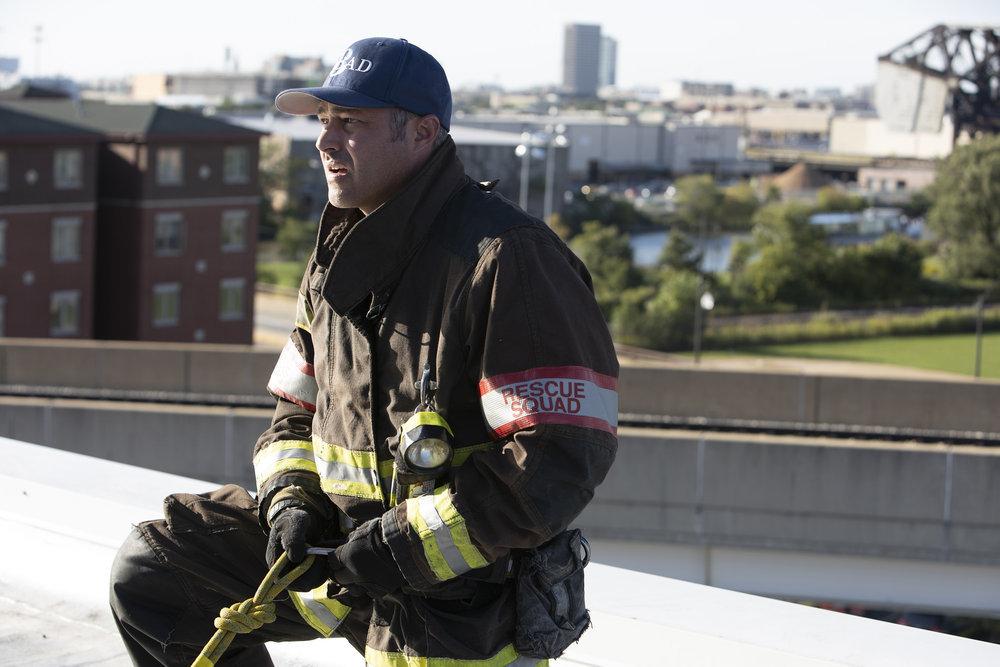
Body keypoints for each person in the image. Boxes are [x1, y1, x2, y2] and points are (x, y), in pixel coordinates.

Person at [109, 37, 618, 666]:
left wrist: (400, 549)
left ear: (423, 132)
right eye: (324, 121)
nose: (325, 142)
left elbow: (556, 463)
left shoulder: (509, 259)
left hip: (460, 599)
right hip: (342, 560)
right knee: (157, 570)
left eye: (351, 123)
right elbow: (295, 415)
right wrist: (292, 500)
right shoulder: (334, 263)